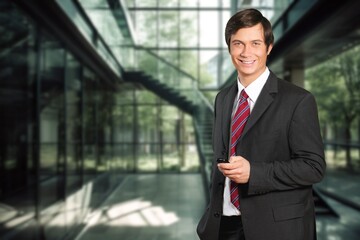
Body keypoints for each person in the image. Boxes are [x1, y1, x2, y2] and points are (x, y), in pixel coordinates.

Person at [196, 8, 326, 240]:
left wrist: (254, 173)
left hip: (277, 230)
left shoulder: (298, 100)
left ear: (268, 47)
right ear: (229, 48)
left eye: (255, 43)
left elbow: (313, 167)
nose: (246, 52)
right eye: (238, 44)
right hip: (223, 227)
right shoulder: (223, 98)